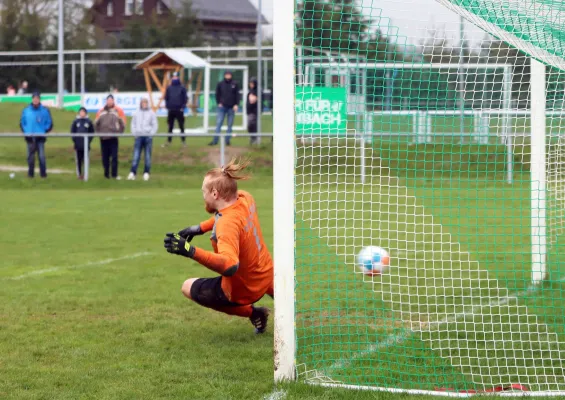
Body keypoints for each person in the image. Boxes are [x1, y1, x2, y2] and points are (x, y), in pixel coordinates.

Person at [163, 159, 273, 334]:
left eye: (203, 191)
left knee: (187, 286)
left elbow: (230, 265)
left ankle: (254, 313)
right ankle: (284, 300)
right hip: (267, 276)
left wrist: (190, 251)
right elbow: (229, 215)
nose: (203, 196)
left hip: (246, 290)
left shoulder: (226, 225)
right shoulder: (245, 198)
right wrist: (200, 228)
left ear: (214, 194)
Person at [20, 91, 53, 178]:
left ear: (39, 99)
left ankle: (43, 175)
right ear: (32, 99)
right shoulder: (26, 110)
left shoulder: (45, 110)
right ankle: (30, 174)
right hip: (30, 137)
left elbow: (49, 123)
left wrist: (43, 131)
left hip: (40, 137)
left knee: (41, 157)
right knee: (30, 157)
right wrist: (26, 132)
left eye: (37, 98)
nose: (35, 100)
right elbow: (22, 123)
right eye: (34, 98)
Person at [95, 94, 126, 180]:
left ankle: (114, 175)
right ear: (106, 101)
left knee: (114, 157)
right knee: (105, 157)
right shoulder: (101, 112)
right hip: (103, 138)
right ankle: (106, 174)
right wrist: (99, 134)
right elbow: (96, 124)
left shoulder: (117, 111)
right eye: (108, 100)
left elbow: (122, 123)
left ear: (113, 101)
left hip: (113, 137)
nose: (109, 102)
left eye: (111, 100)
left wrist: (119, 132)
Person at [128, 98, 157, 181]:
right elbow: (133, 124)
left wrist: (151, 134)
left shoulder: (151, 113)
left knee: (147, 155)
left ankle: (146, 173)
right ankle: (133, 172)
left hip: (148, 137)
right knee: (136, 155)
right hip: (139, 137)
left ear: (147, 104)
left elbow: (155, 124)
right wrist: (135, 134)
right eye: (142, 103)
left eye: (145, 103)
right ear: (140, 104)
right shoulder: (137, 113)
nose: (144, 104)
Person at [210, 71, 240, 146]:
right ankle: (215, 141)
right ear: (224, 75)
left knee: (230, 125)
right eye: (226, 75)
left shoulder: (235, 84)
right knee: (219, 123)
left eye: (229, 75)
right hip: (222, 107)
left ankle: (227, 140)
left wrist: (236, 104)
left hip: (231, 107)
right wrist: (219, 103)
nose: (228, 76)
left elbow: (237, 95)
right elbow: (217, 94)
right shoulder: (220, 84)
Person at [164, 71, 188, 147]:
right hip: (171, 110)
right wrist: (168, 106)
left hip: (179, 110)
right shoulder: (169, 88)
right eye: (173, 77)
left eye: (176, 77)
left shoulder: (182, 88)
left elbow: (185, 98)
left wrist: (183, 107)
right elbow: (166, 98)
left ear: (178, 78)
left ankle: (183, 141)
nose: (174, 78)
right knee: (170, 126)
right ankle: (169, 141)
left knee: (181, 126)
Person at [70, 107, 94, 180]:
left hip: (86, 146)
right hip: (78, 145)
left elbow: (92, 132)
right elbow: (72, 132)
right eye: (81, 112)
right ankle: (79, 175)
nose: (82, 113)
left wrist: (88, 141)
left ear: (86, 113)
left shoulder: (89, 122)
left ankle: (85, 175)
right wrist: (75, 140)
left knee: (86, 160)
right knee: (78, 161)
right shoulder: (75, 122)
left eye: (83, 112)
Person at [246, 77, 259, 145]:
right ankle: (252, 138)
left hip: (254, 111)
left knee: (252, 125)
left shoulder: (257, 91)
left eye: (252, 83)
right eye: (250, 83)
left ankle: (254, 138)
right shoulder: (250, 91)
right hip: (250, 111)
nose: (251, 84)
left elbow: (253, 100)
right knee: (250, 125)